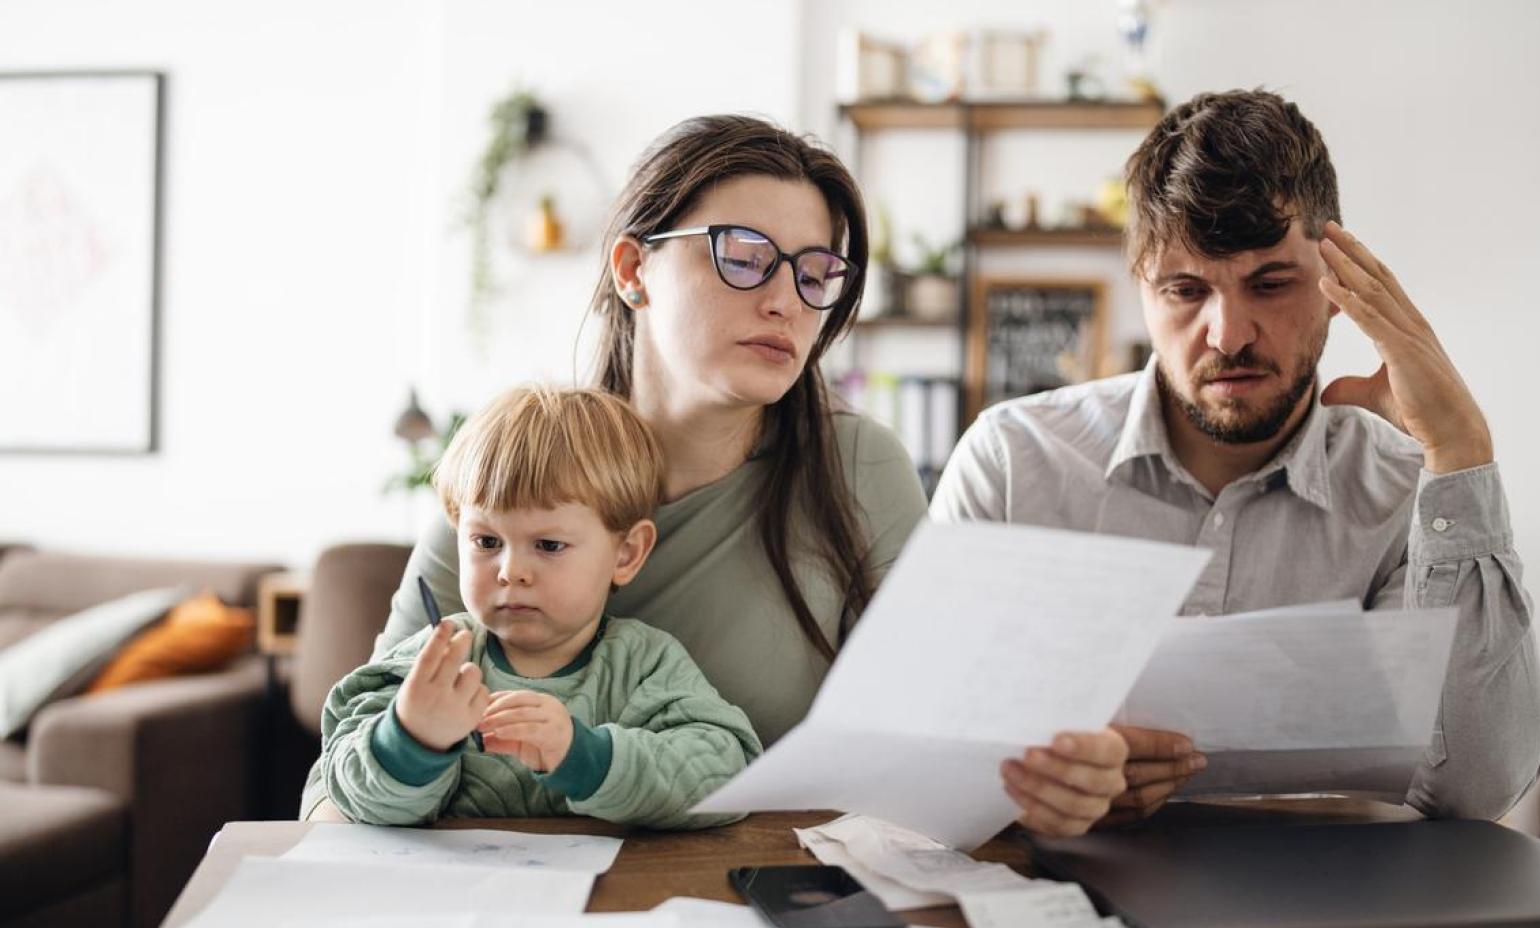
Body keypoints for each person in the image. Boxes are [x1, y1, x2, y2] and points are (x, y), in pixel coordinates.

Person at [303, 114, 1130, 836]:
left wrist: (1047, 778)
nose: (785, 303)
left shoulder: (858, 469)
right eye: (743, 256)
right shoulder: (514, 474)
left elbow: (940, 749)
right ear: (633, 270)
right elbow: (342, 781)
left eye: (814, 274)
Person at [931, 89, 1540, 822]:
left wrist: (1461, 451)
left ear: (1339, 286)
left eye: (1271, 283)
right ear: (1142, 294)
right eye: (1186, 290)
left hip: (1326, 912)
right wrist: (1036, 783)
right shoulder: (1011, 463)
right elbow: (924, 748)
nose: (1228, 335)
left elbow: (1476, 792)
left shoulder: (1411, 494)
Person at [319, 386, 761, 828]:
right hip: (451, 893)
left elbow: (725, 775)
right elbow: (343, 785)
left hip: (603, 893)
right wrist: (411, 739)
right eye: (486, 542)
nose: (511, 571)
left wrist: (585, 756)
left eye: (548, 545)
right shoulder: (431, 662)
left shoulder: (643, 664)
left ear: (626, 554)